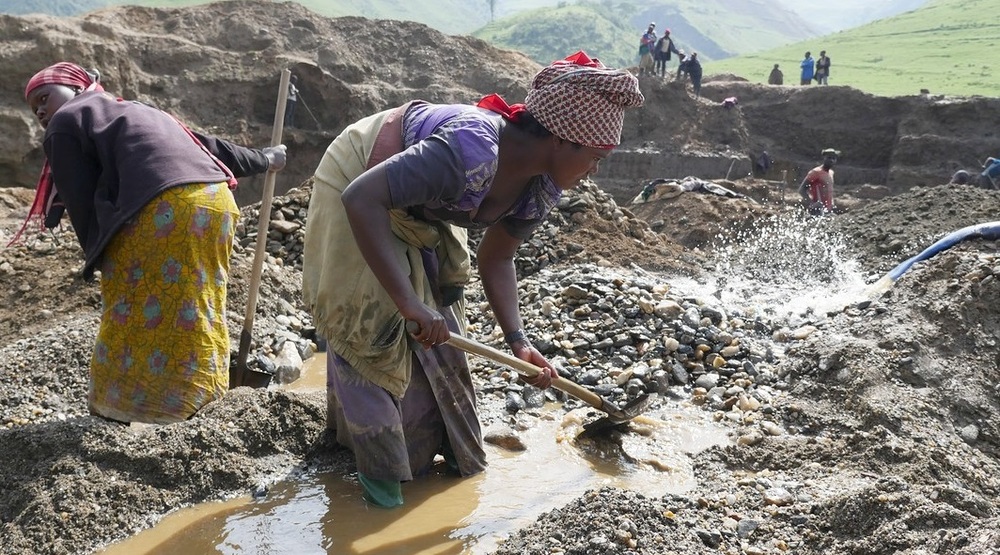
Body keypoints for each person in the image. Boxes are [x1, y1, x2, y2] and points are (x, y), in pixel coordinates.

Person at [301, 51, 643, 507]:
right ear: (563, 140)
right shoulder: (470, 150)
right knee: (372, 329)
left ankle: (443, 467)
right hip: (360, 180)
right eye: (595, 158)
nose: (594, 171)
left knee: (441, 332)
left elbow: (498, 258)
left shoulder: (542, 185)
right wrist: (406, 302)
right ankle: (381, 495)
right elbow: (361, 198)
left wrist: (519, 342)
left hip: (421, 207)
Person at [17, 62, 287, 424]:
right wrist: (266, 159)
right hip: (215, 204)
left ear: (78, 88)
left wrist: (98, 257)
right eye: (33, 107)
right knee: (196, 304)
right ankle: (201, 401)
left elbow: (80, 201)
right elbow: (208, 148)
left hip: (162, 210)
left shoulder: (65, 122)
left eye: (44, 97)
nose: (40, 111)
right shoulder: (138, 111)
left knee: (127, 306)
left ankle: (120, 408)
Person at [799, 148, 839, 214]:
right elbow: (802, 190)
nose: (831, 160)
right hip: (817, 210)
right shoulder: (816, 172)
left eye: (833, 158)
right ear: (824, 158)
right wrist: (812, 203)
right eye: (829, 158)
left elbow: (829, 191)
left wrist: (832, 203)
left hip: (828, 210)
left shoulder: (831, 173)